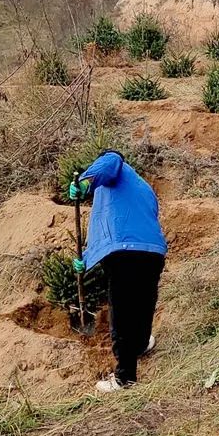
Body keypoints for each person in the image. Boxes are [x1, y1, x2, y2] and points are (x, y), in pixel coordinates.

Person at [68, 149, 167, 393]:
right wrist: (88, 258)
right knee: (144, 303)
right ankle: (141, 345)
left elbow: (110, 161)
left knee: (121, 313)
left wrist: (85, 182)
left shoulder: (115, 164)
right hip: (153, 252)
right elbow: (117, 224)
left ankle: (125, 378)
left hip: (125, 253)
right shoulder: (142, 189)